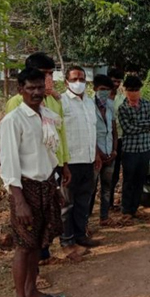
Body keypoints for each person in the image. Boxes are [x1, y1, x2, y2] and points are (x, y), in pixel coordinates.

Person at [0, 68, 66, 297]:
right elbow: (9, 165)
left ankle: (33, 291)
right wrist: (19, 201)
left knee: (40, 242)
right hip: (24, 189)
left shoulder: (46, 115)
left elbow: (49, 154)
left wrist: (56, 186)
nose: (37, 92)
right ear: (20, 90)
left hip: (46, 185)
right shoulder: (12, 121)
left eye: (40, 87)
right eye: (31, 88)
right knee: (24, 246)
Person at [5, 52, 72, 266]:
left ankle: (35, 282)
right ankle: (25, 291)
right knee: (26, 242)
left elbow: (56, 140)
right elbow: (10, 155)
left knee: (42, 232)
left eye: (48, 77)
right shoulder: (15, 111)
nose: (39, 89)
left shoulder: (48, 106)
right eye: (44, 75)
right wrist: (18, 198)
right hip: (27, 182)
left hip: (48, 175)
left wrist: (62, 167)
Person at [61, 66, 101, 248]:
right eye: (75, 79)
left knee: (83, 202)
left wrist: (96, 154)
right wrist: (63, 164)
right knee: (67, 204)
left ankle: (80, 235)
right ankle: (67, 240)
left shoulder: (89, 103)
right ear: (66, 81)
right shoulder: (61, 102)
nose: (79, 83)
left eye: (82, 79)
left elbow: (92, 130)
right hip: (70, 162)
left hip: (88, 160)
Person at [118, 75, 150, 222]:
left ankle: (134, 208)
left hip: (145, 149)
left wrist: (139, 123)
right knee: (128, 181)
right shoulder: (123, 108)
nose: (133, 93)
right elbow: (127, 129)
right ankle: (126, 210)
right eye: (130, 90)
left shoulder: (147, 104)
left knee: (140, 181)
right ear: (125, 91)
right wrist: (146, 126)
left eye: (135, 90)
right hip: (130, 151)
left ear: (140, 90)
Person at [89, 74, 121, 227]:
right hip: (95, 155)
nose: (104, 93)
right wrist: (99, 153)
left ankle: (104, 217)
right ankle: (85, 222)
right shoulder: (88, 106)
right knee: (91, 189)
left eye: (107, 90)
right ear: (95, 89)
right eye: (102, 89)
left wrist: (114, 150)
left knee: (107, 188)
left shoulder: (110, 105)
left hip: (110, 154)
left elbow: (113, 130)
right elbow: (89, 132)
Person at [108, 68, 125, 210]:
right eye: (114, 81)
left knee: (116, 173)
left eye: (118, 81)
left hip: (120, 138)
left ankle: (112, 202)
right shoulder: (100, 96)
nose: (116, 84)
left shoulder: (121, 98)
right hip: (105, 141)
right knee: (107, 172)